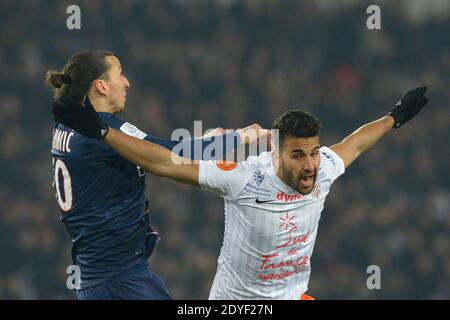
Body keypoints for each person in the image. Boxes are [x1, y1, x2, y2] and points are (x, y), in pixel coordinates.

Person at [52, 85, 428, 299]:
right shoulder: (243, 177)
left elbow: (356, 143)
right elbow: (164, 163)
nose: (311, 164)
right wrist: (102, 131)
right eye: (298, 155)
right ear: (276, 153)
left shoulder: (324, 168)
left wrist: (395, 117)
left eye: (313, 152)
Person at [46, 49, 266, 300]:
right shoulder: (106, 133)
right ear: (102, 86)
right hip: (121, 280)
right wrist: (240, 137)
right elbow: (170, 157)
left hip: (93, 278)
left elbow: (157, 150)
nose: (127, 82)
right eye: (119, 74)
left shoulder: (67, 125)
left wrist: (203, 141)